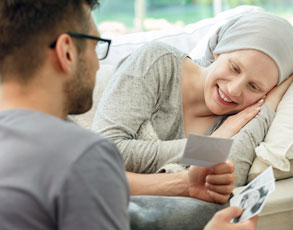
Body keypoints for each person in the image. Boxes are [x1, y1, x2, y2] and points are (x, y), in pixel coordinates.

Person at [0, 0, 255, 229]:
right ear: (66, 51)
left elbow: (98, 179)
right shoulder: (82, 154)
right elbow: (98, 163)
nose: (99, 64)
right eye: (96, 45)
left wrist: (184, 183)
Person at [93, 10, 293, 190]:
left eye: (254, 86)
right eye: (235, 68)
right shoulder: (158, 60)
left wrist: (268, 107)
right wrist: (211, 145)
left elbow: (220, 195)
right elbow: (104, 151)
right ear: (219, 51)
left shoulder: (238, 120)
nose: (234, 90)